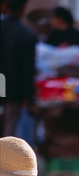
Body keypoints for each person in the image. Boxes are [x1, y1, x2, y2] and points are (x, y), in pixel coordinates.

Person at [0, 0, 36, 137]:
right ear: (23, 9)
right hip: (14, 89)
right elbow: (28, 70)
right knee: (9, 130)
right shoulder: (26, 34)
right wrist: (28, 95)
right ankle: (4, 158)